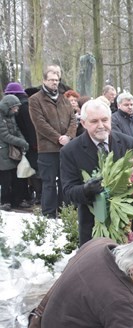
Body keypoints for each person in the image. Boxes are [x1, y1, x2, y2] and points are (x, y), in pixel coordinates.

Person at [60, 99, 133, 328]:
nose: (101, 126)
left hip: (129, 224)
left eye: (105, 120)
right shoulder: (71, 151)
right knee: (102, 279)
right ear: (83, 123)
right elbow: (68, 191)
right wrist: (87, 190)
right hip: (95, 227)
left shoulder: (127, 142)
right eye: (94, 121)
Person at [29, 67, 77, 218]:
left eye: (57, 80)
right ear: (44, 80)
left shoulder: (64, 99)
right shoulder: (35, 100)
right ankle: (49, 214)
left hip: (66, 148)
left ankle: (65, 213)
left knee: (65, 181)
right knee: (49, 183)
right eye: (51, 80)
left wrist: (68, 136)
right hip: (47, 149)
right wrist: (58, 138)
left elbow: (73, 120)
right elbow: (40, 124)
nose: (54, 83)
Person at [6, 82, 39, 206]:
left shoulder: (22, 107)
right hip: (29, 143)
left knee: (24, 170)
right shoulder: (28, 105)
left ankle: (25, 196)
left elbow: (28, 127)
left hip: (25, 143)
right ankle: (28, 196)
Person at [0, 95, 30, 211]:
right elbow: (5, 135)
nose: (16, 110)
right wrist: (21, 142)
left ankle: (16, 200)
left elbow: (16, 130)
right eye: (15, 108)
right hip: (3, 152)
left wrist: (22, 140)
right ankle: (5, 201)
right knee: (6, 179)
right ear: (8, 107)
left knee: (17, 178)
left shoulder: (11, 116)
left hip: (13, 151)